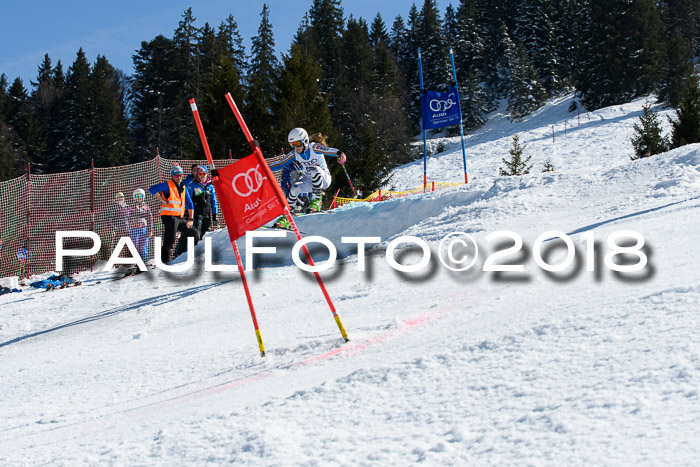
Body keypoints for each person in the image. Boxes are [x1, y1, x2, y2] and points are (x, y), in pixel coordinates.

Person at [270, 127, 347, 217]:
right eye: (292, 144)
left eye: (297, 143)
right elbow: (280, 164)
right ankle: (287, 216)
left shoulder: (314, 148)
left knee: (314, 169)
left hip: (324, 179)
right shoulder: (295, 154)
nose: (295, 147)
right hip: (309, 181)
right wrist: (263, 167)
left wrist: (339, 154)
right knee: (295, 187)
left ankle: (317, 202)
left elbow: (328, 150)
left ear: (305, 141)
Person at [148, 165, 195, 264]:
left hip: (180, 217)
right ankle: (164, 261)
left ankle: (180, 255)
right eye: (176, 175)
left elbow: (190, 204)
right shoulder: (167, 185)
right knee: (170, 239)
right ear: (172, 176)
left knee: (193, 233)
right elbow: (152, 189)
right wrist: (162, 200)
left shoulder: (183, 187)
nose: (179, 177)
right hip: (169, 216)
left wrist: (191, 219)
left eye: (180, 175)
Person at [183, 165, 218, 246]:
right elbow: (188, 200)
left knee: (205, 235)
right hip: (197, 214)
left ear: (207, 174)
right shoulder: (193, 185)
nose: (202, 176)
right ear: (197, 175)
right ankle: (193, 252)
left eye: (204, 173)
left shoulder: (210, 186)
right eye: (200, 174)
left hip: (207, 215)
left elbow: (213, 201)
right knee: (196, 234)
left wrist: (214, 214)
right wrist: (187, 212)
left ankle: (203, 253)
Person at [129, 188, 154, 265]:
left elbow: (149, 218)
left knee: (143, 246)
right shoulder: (132, 206)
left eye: (140, 196)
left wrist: (150, 230)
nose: (139, 198)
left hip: (144, 229)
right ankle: (134, 262)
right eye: (137, 196)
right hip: (135, 228)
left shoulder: (146, 206)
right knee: (135, 245)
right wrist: (135, 209)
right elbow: (130, 215)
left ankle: (142, 262)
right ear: (134, 197)